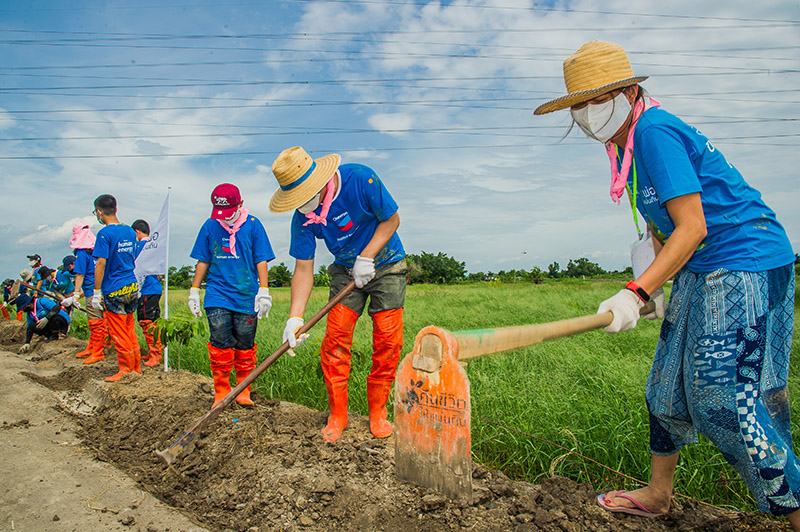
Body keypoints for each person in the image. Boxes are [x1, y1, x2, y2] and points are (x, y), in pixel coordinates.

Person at [534, 41, 798, 527]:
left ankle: (795, 507)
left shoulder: (653, 130)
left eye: (597, 101)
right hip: (700, 265)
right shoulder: (624, 148)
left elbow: (693, 225)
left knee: (725, 401)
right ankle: (658, 494)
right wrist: (650, 284)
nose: (588, 115)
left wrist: (634, 295)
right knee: (666, 389)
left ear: (629, 92)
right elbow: (661, 226)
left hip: (745, 260)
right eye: (578, 106)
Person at [270, 146, 407, 443]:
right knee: (335, 339)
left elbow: (392, 220)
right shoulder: (302, 219)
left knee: (387, 338)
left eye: (305, 196)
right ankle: (338, 414)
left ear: (320, 182)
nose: (302, 206)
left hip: (387, 263)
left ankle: (378, 412)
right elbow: (304, 269)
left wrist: (367, 256)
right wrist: (294, 318)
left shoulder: (361, 179)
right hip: (345, 271)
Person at [188, 183, 274, 407]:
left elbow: (261, 259)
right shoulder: (210, 226)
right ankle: (222, 390)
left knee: (245, 341)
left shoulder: (254, 226)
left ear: (241, 204)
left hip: (246, 294)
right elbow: (203, 259)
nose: (224, 218)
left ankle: (243, 389)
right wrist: (194, 290)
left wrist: (263, 290)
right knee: (219, 340)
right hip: (217, 293)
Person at [92, 194, 142, 382]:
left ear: (98, 212)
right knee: (130, 329)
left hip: (114, 288)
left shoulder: (105, 234)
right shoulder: (129, 231)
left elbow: (100, 264)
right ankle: (136, 367)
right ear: (116, 209)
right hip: (131, 285)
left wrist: (97, 293)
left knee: (119, 332)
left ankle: (126, 371)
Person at [67, 223, 109, 363]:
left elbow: (79, 275)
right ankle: (92, 347)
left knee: (95, 322)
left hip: (92, 291)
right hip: (103, 290)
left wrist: (75, 294)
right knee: (102, 320)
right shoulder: (97, 250)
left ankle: (97, 352)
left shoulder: (81, 253)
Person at [132, 219, 163, 367]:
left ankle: (154, 355)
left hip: (146, 289)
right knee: (154, 321)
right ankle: (155, 352)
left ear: (137, 232)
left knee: (146, 321)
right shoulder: (154, 246)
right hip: (156, 288)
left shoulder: (139, 246)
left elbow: (137, 270)